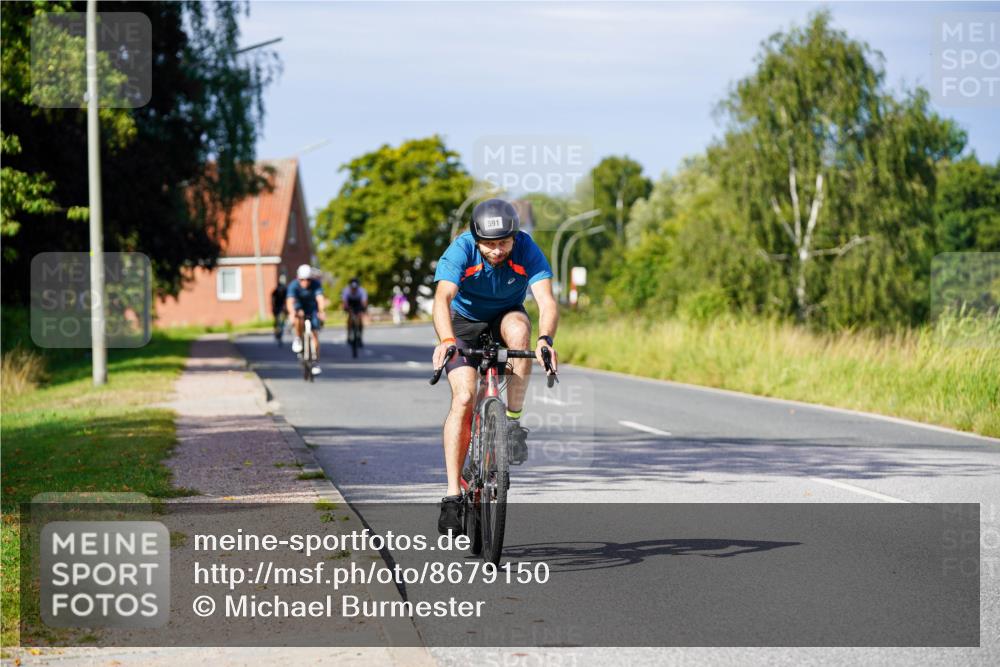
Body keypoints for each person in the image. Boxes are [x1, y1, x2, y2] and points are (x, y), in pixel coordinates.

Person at [430, 198, 558, 534]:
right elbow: (442, 298)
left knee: (520, 333)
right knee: (463, 398)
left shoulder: (526, 249)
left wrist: (546, 340)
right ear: (476, 239)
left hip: (506, 315)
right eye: (489, 244)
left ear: (514, 237)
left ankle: (512, 422)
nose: (498, 251)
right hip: (463, 322)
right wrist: (446, 340)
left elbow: (546, 300)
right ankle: (452, 495)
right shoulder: (461, 249)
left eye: (504, 243)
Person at [286, 264, 325, 375]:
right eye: (302, 280)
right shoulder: (293, 285)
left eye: (308, 279)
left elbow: (320, 298)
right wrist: (292, 313)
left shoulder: (316, 284)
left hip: (312, 309)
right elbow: (290, 301)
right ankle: (298, 338)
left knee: (315, 334)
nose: (305, 282)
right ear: (298, 278)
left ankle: (315, 361)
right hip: (299, 307)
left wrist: (322, 311)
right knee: (298, 317)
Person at [341, 277, 369, 345]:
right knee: (350, 318)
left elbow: (364, 302)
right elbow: (345, 302)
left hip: (358, 303)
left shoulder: (362, 291)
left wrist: (363, 309)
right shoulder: (346, 291)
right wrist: (346, 308)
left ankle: (360, 337)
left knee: (360, 319)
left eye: (355, 288)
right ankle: (349, 335)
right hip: (350, 303)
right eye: (352, 288)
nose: (354, 290)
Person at [270, 275, 287, 344]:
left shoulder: (277, 290)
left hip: (280, 308)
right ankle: (277, 331)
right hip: (278, 308)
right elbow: (273, 299)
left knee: (280, 321)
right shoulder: (277, 291)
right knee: (278, 321)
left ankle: (278, 331)